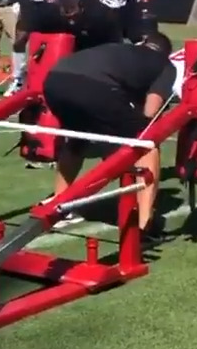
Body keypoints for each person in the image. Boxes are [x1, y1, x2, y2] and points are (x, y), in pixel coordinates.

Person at [41, 31, 177, 238]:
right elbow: (151, 110)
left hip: (54, 80)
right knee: (147, 142)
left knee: (77, 140)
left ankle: (61, 202)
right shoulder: (165, 66)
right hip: (94, 87)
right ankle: (144, 224)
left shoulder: (120, 48)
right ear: (166, 53)